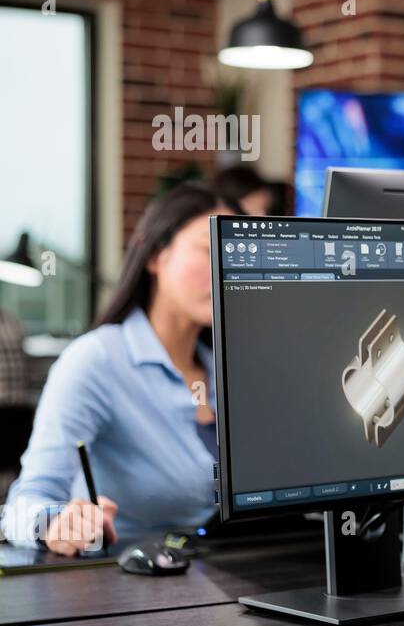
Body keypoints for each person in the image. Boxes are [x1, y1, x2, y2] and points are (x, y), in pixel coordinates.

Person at [0, 183, 237, 554]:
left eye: (235, 256)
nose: (226, 269)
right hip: (131, 590)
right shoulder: (97, 359)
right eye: (209, 252)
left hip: (240, 580)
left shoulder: (227, 368)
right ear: (155, 256)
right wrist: (54, 523)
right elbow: (24, 502)